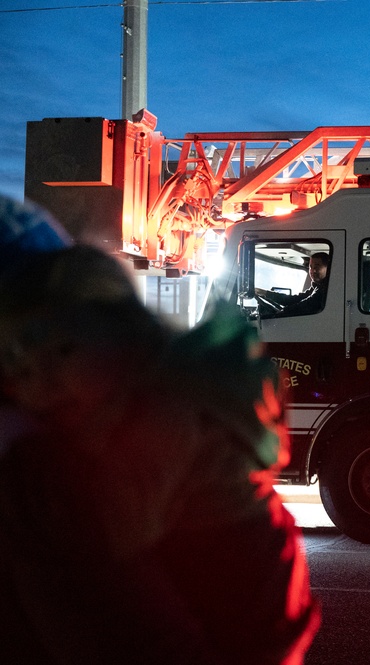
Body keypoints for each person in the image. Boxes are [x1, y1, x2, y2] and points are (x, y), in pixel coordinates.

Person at [0, 196, 319, 664]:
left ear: (114, 325)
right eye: (13, 365)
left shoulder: (66, 470)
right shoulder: (199, 404)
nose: (40, 377)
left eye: (53, 348)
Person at [255, 251, 330, 318]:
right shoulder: (316, 287)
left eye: (317, 267)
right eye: (311, 267)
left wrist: (281, 313)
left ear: (327, 268)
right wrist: (265, 293)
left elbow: (305, 306)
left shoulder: (325, 289)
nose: (313, 271)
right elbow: (294, 300)